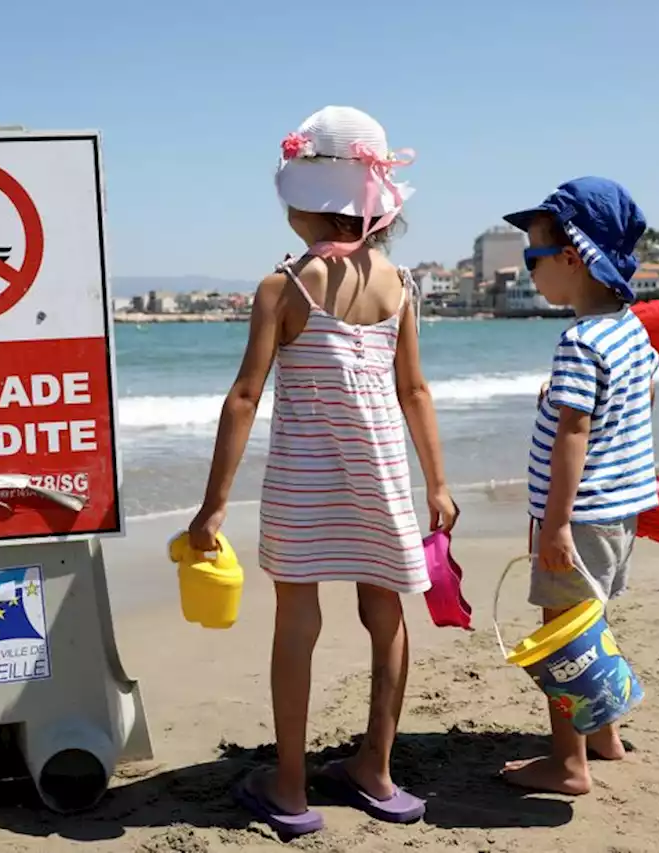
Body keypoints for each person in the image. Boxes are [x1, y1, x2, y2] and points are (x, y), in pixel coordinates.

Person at [187, 105, 457, 837]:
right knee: (385, 614)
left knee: (297, 622)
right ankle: (376, 765)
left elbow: (245, 395)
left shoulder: (285, 286)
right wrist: (435, 481)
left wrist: (213, 505)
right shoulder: (399, 285)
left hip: (306, 482)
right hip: (379, 476)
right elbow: (415, 391)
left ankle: (292, 784)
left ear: (305, 200)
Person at [497, 177, 659, 795]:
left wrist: (557, 523)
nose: (527, 272)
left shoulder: (578, 341)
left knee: (562, 637)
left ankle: (569, 763)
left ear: (571, 260)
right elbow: (637, 395)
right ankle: (605, 736)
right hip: (619, 514)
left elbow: (573, 435)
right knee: (593, 624)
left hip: (579, 517)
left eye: (532, 259)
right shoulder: (629, 330)